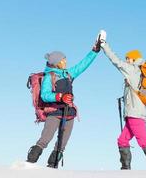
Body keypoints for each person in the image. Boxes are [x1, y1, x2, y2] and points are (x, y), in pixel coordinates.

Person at [26, 31, 106, 168]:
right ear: (57, 62)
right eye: (64, 60)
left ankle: (52, 168)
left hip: (69, 114)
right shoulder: (49, 76)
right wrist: (59, 96)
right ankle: (28, 165)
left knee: (61, 145)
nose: (66, 61)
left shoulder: (68, 74)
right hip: (55, 113)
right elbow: (44, 95)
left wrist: (95, 51)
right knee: (45, 140)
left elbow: (83, 65)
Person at [100, 31, 146, 170]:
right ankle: (125, 168)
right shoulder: (140, 71)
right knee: (122, 140)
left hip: (135, 113)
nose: (126, 61)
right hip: (135, 113)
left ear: (133, 59)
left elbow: (116, 61)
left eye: (128, 59)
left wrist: (104, 45)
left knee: (143, 140)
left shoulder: (133, 70)